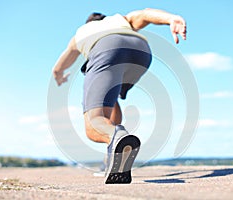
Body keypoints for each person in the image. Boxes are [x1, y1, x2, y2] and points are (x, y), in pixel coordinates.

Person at [52, 8, 187, 184]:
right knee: (109, 97)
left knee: (94, 122)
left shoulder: (82, 32)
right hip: (141, 52)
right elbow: (145, 14)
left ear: (88, 24)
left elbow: (60, 64)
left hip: (108, 49)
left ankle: (115, 136)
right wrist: (171, 18)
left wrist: (59, 76)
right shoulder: (119, 19)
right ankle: (112, 155)